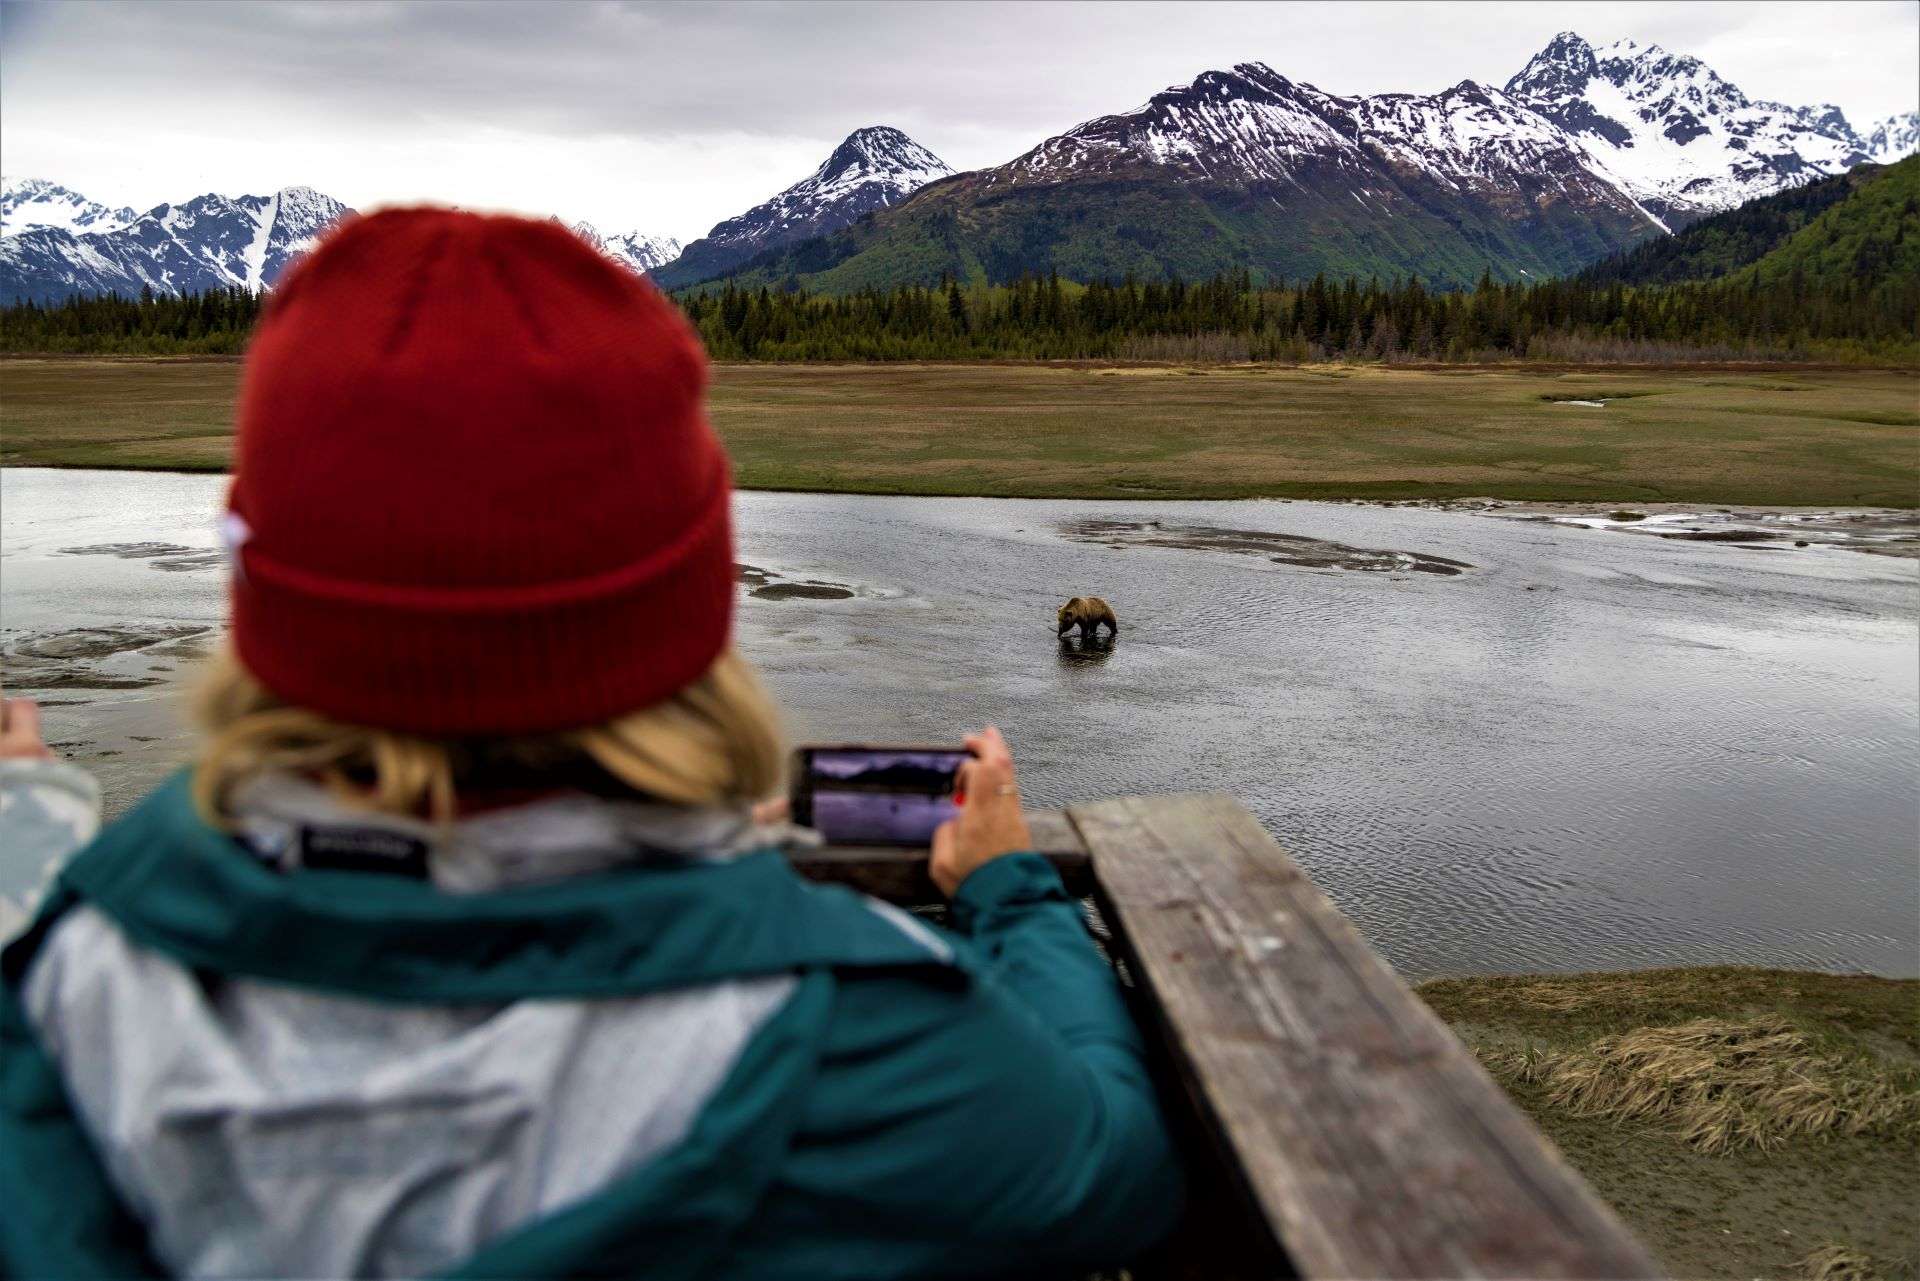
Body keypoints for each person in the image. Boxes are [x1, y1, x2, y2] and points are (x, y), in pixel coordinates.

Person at [0, 208, 1183, 1280]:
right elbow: (1113, 1168)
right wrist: (1013, 892)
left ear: (260, 603)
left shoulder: (65, 993)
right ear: (683, 627)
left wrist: (32, 854)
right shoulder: (851, 1036)